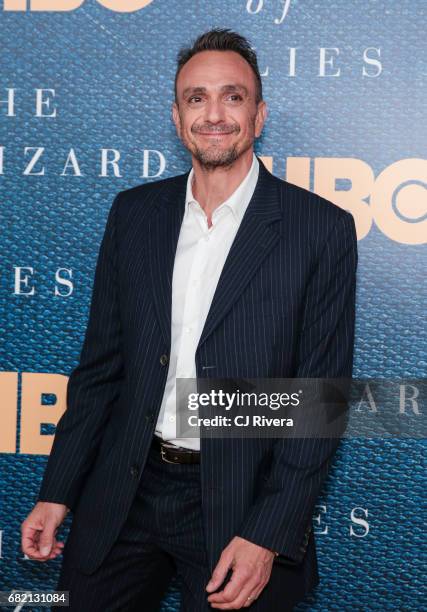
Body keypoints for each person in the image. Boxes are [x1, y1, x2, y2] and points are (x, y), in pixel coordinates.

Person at [21, 28, 358, 611]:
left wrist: (267, 535)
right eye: (196, 98)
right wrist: (58, 493)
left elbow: (320, 402)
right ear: (176, 117)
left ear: (259, 115)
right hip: (126, 490)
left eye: (233, 96)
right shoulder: (134, 213)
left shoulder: (319, 228)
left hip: (241, 502)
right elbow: (101, 369)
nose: (214, 114)